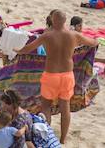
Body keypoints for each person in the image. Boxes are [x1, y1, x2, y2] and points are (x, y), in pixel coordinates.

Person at [17, 9, 95, 144]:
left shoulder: (47, 35)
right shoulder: (73, 35)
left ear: (53, 20)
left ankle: (46, 138)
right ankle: (63, 139)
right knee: (65, 106)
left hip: (51, 75)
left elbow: (28, 48)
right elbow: (92, 42)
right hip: (67, 75)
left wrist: (17, 51)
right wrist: (96, 41)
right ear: (65, 21)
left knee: (46, 106)